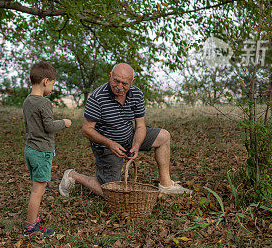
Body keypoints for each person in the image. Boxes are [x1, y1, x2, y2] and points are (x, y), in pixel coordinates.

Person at [59, 63, 190, 197]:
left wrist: (137, 145)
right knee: (113, 193)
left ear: (132, 82)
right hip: (107, 146)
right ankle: (73, 175)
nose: (119, 87)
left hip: (129, 136)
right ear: (110, 76)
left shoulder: (137, 94)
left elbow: (140, 125)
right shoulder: (97, 97)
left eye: (124, 83)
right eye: (116, 81)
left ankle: (166, 184)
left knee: (164, 136)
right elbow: (86, 130)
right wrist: (110, 144)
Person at [22, 61, 72, 237]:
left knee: (36, 187)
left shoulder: (27, 101)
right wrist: (64, 123)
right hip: (41, 151)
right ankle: (31, 226)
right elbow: (49, 126)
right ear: (45, 81)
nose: (52, 87)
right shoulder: (44, 103)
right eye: (52, 84)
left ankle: (32, 219)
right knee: (38, 190)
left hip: (30, 149)